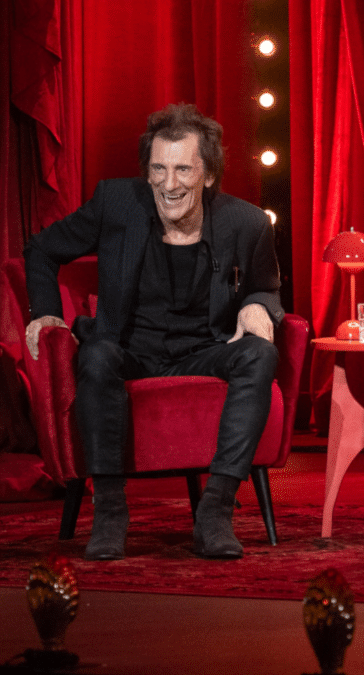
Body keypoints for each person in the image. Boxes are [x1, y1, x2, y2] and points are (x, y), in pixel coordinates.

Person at [24, 103, 283, 560]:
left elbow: (266, 288)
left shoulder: (247, 223)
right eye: (158, 169)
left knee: (259, 355)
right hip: (130, 350)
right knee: (96, 356)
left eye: (183, 169)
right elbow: (42, 249)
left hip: (204, 348)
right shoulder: (116, 203)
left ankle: (216, 511)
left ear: (207, 175)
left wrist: (258, 307)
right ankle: (108, 511)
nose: (168, 184)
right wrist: (44, 312)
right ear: (147, 171)